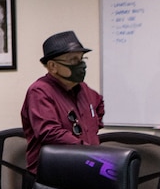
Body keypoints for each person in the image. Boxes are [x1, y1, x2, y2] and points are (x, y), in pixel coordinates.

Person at [21, 30, 105, 177]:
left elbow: (99, 104)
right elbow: (50, 133)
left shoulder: (82, 88)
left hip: (84, 168)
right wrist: (86, 149)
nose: (81, 65)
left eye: (81, 59)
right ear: (52, 66)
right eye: (73, 60)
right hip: (52, 176)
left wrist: (91, 131)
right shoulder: (40, 91)